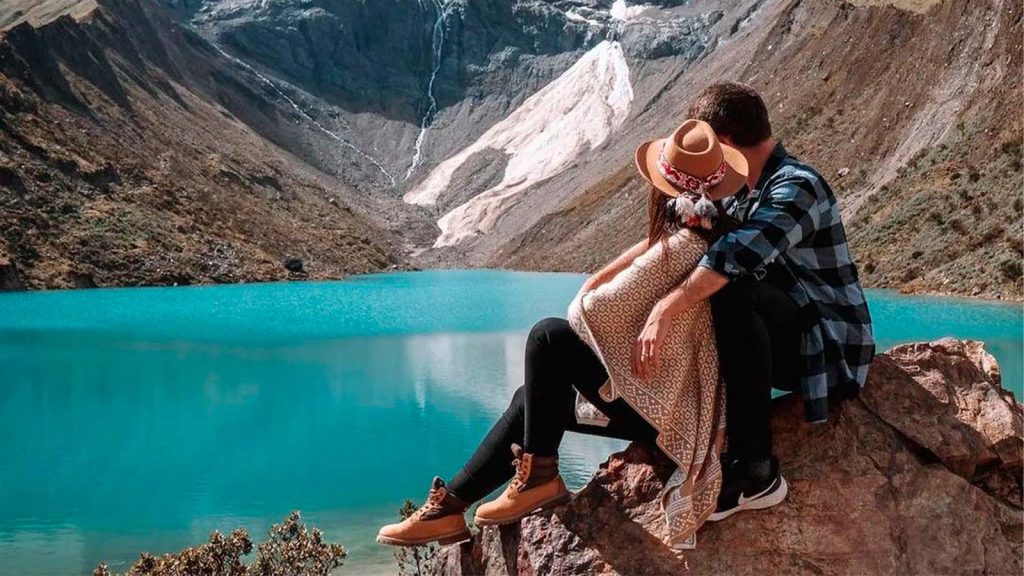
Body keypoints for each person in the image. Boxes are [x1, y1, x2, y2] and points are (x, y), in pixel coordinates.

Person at [377, 119, 748, 548]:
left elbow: (588, 311)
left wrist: (631, 260)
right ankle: (451, 508)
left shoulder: (681, 248)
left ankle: (540, 477)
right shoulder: (706, 239)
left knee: (547, 338)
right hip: (673, 404)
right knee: (529, 399)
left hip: (672, 415)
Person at [632, 82, 875, 521]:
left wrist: (665, 308)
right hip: (792, 340)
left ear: (724, 143)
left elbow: (737, 257)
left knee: (731, 285)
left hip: (830, 352)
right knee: (719, 289)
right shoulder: (748, 189)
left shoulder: (799, 186)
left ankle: (756, 471)